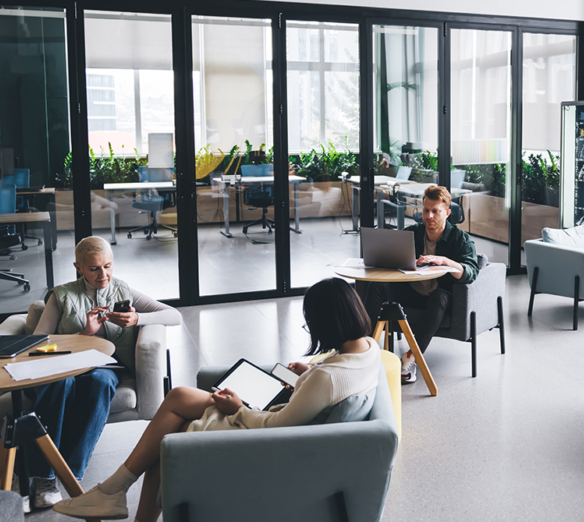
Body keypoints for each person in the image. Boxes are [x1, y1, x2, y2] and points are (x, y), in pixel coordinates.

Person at [53, 277, 381, 522]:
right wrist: (307, 373)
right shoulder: (368, 347)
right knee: (175, 409)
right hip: (287, 420)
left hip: (267, 438)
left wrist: (237, 408)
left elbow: (277, 425)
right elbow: (332, 379)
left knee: (172, 422)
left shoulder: (327, 378)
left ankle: (113, 491)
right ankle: (114, 492)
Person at [24, 236, 181, 508]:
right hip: (66, 364)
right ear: (78, 267)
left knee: (100, 382)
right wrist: (84, 334)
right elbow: (38, 343)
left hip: (107, 367)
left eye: (108, 266)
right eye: (94, 268)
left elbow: (174, 316)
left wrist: (137, 318)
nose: (103, 275)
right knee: (60, 386)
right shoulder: (61, 294)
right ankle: (45, 478)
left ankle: (72, 475)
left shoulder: (123, 289)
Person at [359, 185, 478, 383]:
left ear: (447, 213)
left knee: (440, 296)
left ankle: (410, 358)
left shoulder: (461, 240)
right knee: (377, 286)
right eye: (425, 210)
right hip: (411, 291)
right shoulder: (412, 233)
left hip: (436, 298)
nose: (429, 216)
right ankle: (363, 349)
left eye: (435, 211)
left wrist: (445, 261)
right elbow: (392, 256)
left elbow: (471, 272)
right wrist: (379, 258)